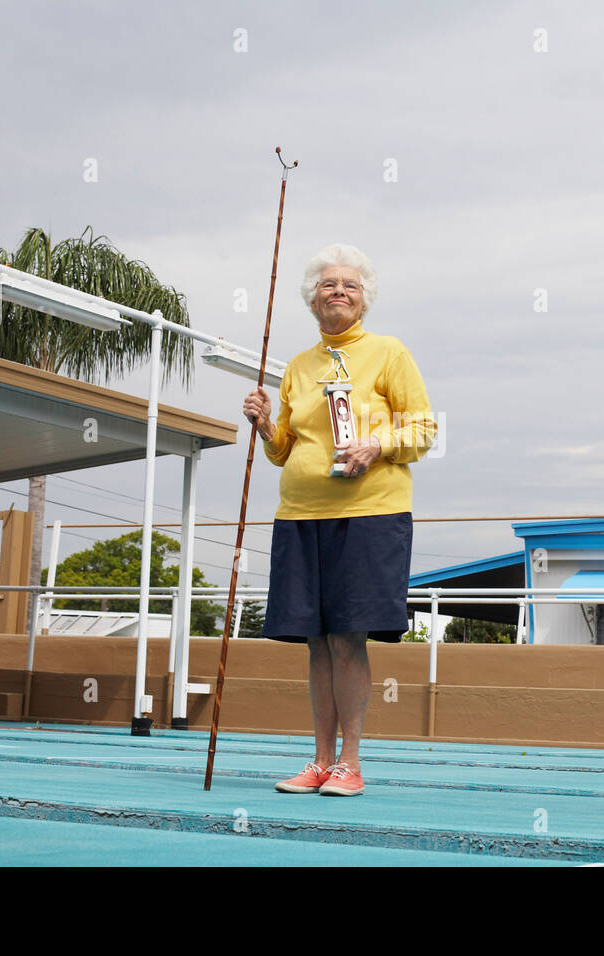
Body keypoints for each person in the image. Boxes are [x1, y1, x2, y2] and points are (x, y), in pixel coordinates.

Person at [242, 243, 435, 796]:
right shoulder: (298, 367)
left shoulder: (389, 352)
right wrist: (262, 424)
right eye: (329, 285)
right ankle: (320, 761)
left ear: (365, 300)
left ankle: (351, 764)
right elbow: (283, 450)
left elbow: (424, 430)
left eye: (350, 285)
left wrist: (377, 445)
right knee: (316, 640)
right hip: (301, 515)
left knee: (349, 638)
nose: (339, 292)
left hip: (371, 513)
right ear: (312, 300)